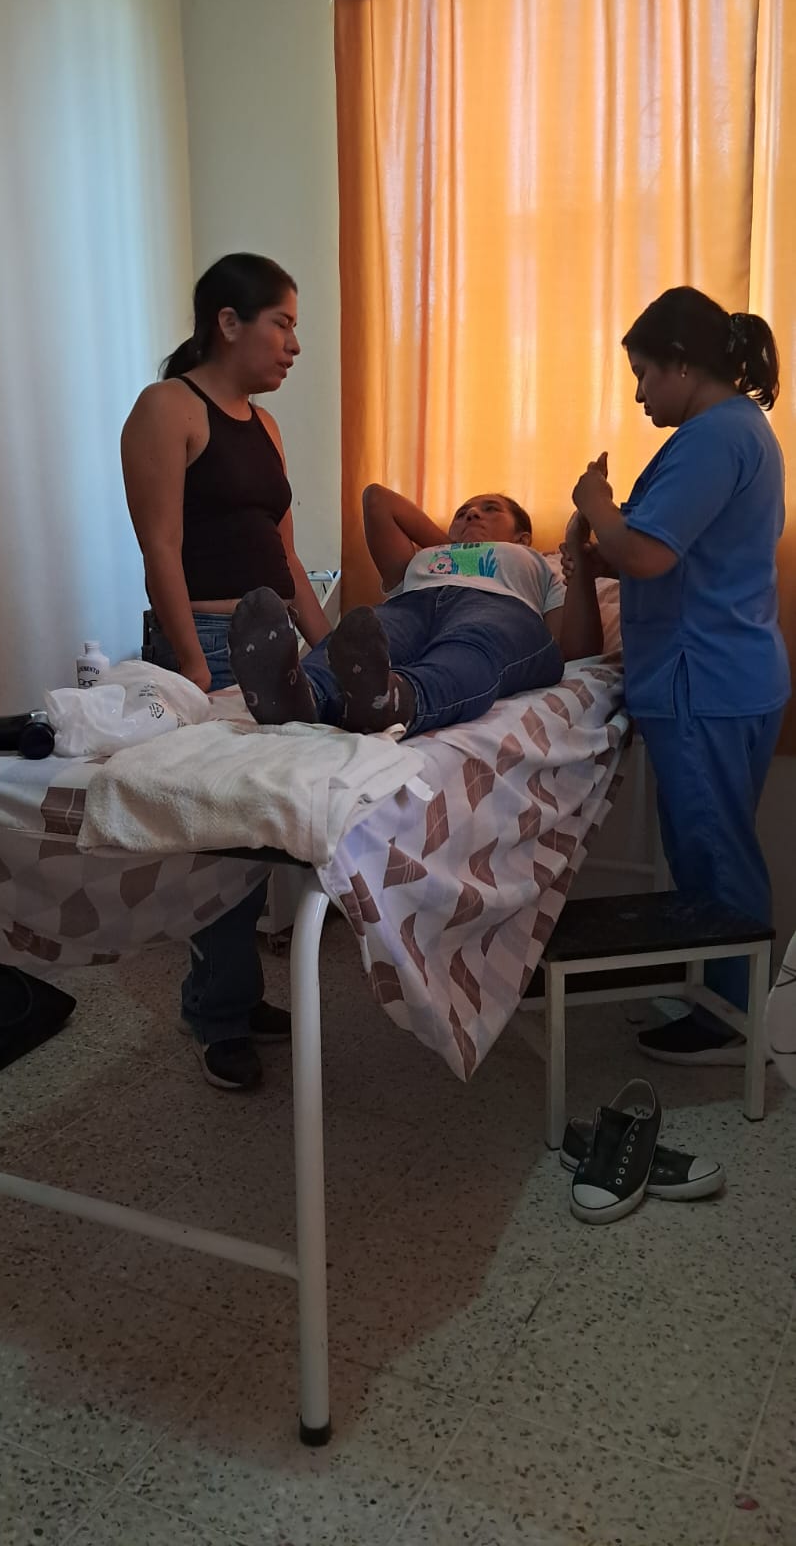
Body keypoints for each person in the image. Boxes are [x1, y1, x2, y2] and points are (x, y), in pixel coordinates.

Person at [564, 285, 790, 1065]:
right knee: (710, 844)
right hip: (725, 672)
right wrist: (608, 545)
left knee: (714, 851)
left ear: (683, 365)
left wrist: (595, 503)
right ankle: (716, 988)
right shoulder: (735, 430)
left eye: (643, 374)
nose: (638, 394)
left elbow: (651, 555)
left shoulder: (713, 438)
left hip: (705, 679)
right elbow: (674, 551)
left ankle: (732, 1020)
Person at [121, 253, 331, 1091]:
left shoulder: (265, 426)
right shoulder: (168, 407)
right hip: (206, 644)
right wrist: (190, 669)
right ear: (229, 322)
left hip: (275, 643)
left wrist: (328, 645)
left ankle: (233, 993)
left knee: (261, 832)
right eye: (282, 324)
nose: (294, 345)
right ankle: (217, 1012)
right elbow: (160, 549)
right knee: (221, 839)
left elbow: (286, 557)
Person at [226, 485, 604, 737]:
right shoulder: (423, 559)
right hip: (413, 605)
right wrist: (454, 550)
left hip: (499, 608)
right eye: (463, 512)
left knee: (471, 646)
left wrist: (580, 561)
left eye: (490, 510)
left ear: (523, 538)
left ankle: (397, 700)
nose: (472, 513)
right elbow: (377, 499)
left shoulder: (539, 563)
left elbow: (573, 649)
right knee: (366, 632)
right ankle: (298, 695)